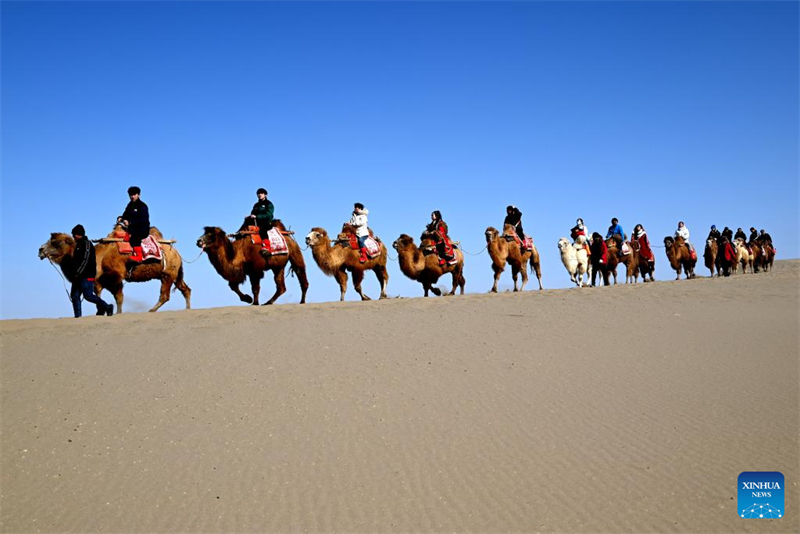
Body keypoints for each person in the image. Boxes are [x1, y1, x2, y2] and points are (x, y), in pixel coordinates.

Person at [69, 225, 113, 318]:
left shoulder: (87, 244)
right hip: (78, 276)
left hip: (86, 275)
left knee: (88, 295)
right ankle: (78, 317)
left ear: (78, 234)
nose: (73, 236)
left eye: (74, 234)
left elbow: (85, 260)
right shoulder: (77, 245)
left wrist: (78, 272)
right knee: (74, 296)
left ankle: (107, 307)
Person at [118, 186, 150, 263]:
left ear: (138, 195)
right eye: (130, 195)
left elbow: (143, 220)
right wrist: (120, 218)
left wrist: (130, 222)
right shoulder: (129, 205)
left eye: (134, 194)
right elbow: (125, 215)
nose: (132, 197)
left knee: (135, 238)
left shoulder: (142, 206)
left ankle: (139, 256)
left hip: (142, 228)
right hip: (131, 228)